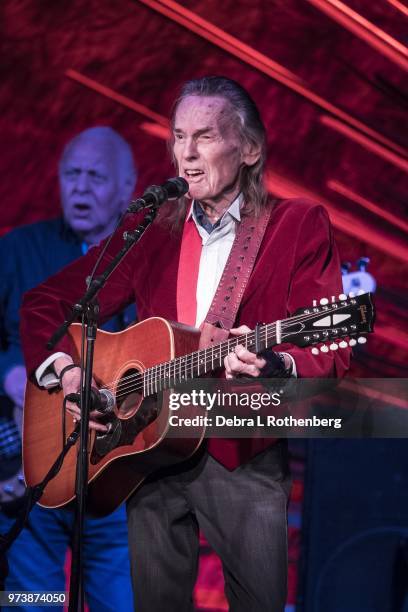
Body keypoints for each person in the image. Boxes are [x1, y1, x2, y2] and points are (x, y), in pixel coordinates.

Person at [20, 78, 349, 611]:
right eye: (178, 137)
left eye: (205, 137)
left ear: (249, 149)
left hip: (240, 454)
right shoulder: (156, 229)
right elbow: (46, 302)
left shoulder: (296, 224)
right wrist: (67, 372)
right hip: (148, 449)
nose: (187, 154)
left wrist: (275, 361)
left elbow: (327, 354)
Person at [0, 126, 137, 611]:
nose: (79, 187)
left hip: (113, 480)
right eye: (71, 174)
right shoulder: (18, 250)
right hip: (27, 475)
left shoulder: (148, 260)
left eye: (95, 177)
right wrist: (9, 371)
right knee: (29, 604)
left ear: (127, 189)